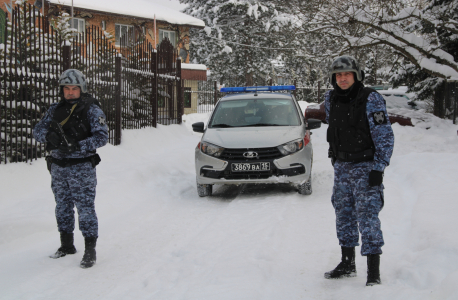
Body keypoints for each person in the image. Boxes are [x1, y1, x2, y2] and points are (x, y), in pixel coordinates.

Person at [323, 56, 394, 286]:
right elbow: (335, 128)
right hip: (342, 167)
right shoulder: (330, 97)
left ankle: (373, 273)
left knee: (368, 217)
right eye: (339, 75)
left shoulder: (371, 98)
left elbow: (384, 135)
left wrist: (379, 167)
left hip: (365, 167)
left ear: (357, 75)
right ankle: (347, 263)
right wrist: (335, 157)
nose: (343, 79)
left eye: (347, 74)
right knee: (343, 215)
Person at [33, 69, 108, 269]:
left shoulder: (92, 110)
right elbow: (38, 130)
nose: (70, 92)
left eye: (74, 88)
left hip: (81, 167)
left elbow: (102, 137)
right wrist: (49, 137)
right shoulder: (55, 109)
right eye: (67, 88)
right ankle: (66, 245)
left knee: (85, 209)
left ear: (81, 89)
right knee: (62, 207)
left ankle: (90, 250)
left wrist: (77, 145)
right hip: (58, 167)